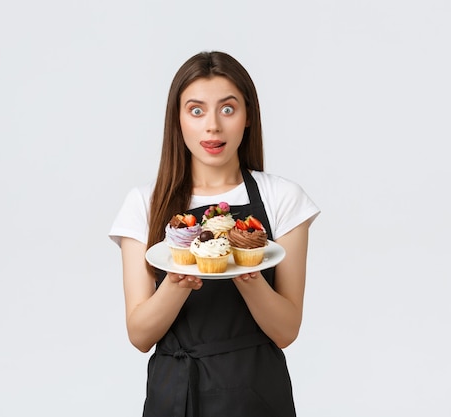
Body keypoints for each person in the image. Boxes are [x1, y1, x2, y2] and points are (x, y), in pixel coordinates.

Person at [109, 51, 320, 417]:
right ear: (177, 119)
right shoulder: (144, 203)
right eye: (196, 110)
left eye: (227, 109)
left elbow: (286, 331)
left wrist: (244, 270)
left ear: (248, 115)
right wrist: (178, 279)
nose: (212, 127)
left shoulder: (282, 198)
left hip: (256, 393)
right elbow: (140, 335)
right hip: (174, 393)